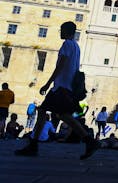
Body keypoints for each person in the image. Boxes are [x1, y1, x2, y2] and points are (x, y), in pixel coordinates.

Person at [15, 21, 99, 159]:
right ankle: (89, 140)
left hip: (60, 87)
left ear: (67, 31)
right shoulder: (76, 46)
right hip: (66, 87)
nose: (60, 32)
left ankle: (33, 145)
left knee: (45, 112)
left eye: (61, 30)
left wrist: (47, 84)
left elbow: (60, 66)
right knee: (64, 115)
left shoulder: (66, 44)